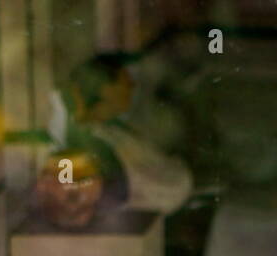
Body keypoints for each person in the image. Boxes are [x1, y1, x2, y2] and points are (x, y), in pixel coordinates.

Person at [63, 52, 193, 215]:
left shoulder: (110, 130)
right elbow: (162, 191)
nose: (131, 85)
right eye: (124, 80)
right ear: (106, 90)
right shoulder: (96, 144)